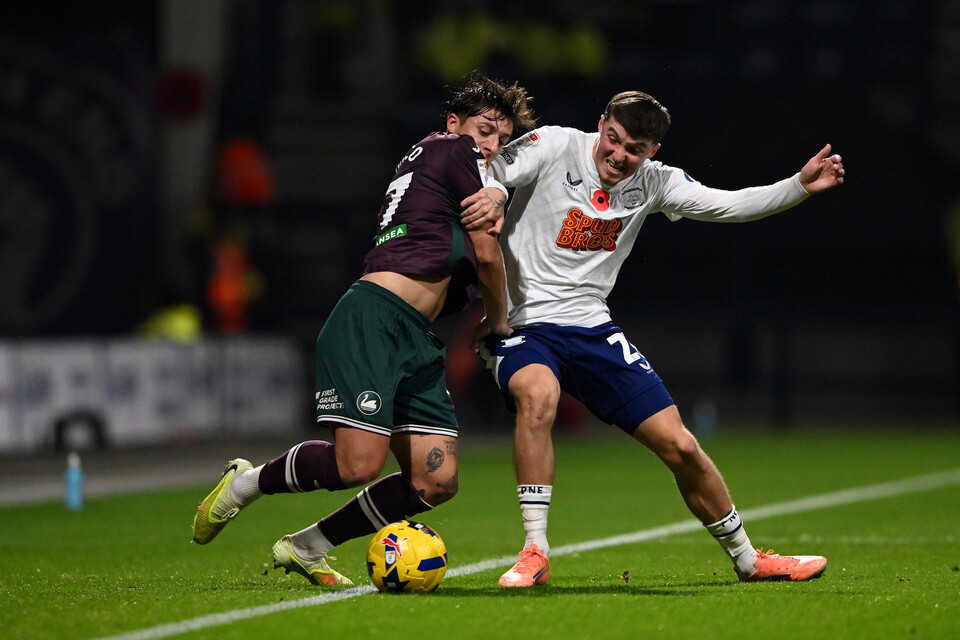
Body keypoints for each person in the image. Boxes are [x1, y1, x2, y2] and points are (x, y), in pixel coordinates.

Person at [481, 90, 844, 586]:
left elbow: (728, 205)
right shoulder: (555, 144)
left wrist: (797, 186)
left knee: (681, 445)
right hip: (524, 325)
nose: (618, 155)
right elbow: (492, 168)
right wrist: (496, 192)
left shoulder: (656, 181)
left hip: (593, 329)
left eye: (634, 149)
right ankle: (534, 551)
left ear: (652, 151)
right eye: (613, 139)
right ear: (601, 123)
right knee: (538, 397)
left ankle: (748, 559)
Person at [191, 71, 536, 586]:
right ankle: (246, 483)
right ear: (454, 123)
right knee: (355, 466)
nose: (491, 145)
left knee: (436, 480)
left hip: (415, 334)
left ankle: (307, 546)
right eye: (485, 130)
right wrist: (498, 319)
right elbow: (487, 255)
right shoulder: (452, 149)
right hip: (375, 318)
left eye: (502, 139)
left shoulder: (439, 163)